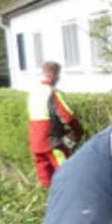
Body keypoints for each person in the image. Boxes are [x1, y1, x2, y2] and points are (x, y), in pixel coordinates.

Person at [27, 61, 83, 189]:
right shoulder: (52, 93)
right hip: (52, 142)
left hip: (35, 142)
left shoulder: (33, 92)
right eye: (58, 75)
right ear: (54, 75)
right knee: (67, 175)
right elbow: (68, 116)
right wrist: (78, 132)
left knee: (47, 181)